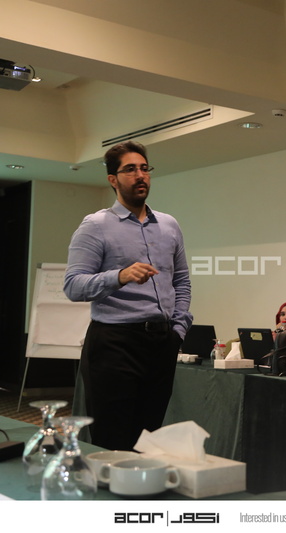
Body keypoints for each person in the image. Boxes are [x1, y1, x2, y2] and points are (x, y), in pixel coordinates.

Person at [63, 140, 192, 451]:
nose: (140, 175)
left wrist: (178, 330)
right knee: (113, 441)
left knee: (148, 440)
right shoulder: (95, 225)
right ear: (113, 179)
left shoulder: (169, 225)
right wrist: (119, 276)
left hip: (161, 343)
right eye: (130, 169)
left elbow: (182, 281)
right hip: (114, 344)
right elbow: (73, 285)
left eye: (145, 168)